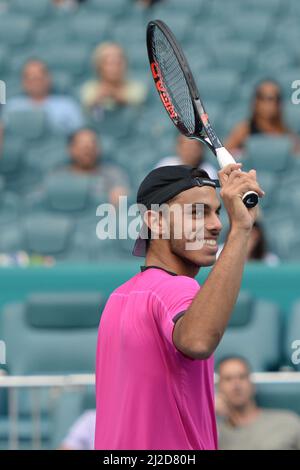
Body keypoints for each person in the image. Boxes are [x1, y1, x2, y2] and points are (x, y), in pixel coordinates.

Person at [95, 162, 264, 449]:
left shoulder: (117, 298)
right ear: (156, 221)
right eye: (198, 213)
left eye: (218, 212)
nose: (216, 225)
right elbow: (198, 340)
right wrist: (240, 231)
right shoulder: (177, 288)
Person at [216, 356, 300, 450]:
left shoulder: (288, 422)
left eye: (242, 377)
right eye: (228, 379)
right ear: (219, 387)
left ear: (252, 384)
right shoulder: (214, 433)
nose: (236, 384)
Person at [2, 59, 84, 134]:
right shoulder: (12, 107)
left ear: (49, 78)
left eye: (39, 78)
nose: (36, 83)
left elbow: (79, 135)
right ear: (23, 82)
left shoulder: (67, 105)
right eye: (32, 79)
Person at [225, 79, 300, 157]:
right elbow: (225, 156)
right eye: (263, 98)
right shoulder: (243, 130)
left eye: (274, 99)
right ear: (255, 102)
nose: (268, 104)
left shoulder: (286, 133)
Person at [65, 128, 129, 205]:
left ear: (99, 149)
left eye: (92, 145)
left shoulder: (113, 173)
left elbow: (122, 195)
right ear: (71, 149)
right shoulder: (58, 176)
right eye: (82, 145)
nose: (87, 150)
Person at [80, 42, 147, 116]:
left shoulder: (136, 88)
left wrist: (116, 95)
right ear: (98, 66)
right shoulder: (89, 89)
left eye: (119, 62)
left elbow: (138, 106)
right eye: (109, 63)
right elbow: (86, 110)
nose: (115, 67)